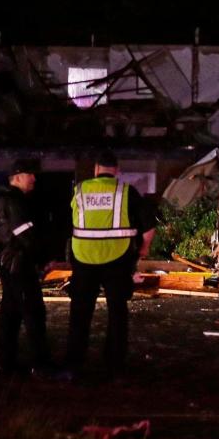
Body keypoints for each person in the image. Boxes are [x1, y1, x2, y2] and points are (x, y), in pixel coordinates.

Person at [64, 150, 154, 378]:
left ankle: (74, 363)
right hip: (117, 260)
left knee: (80, 313)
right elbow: (149, 226)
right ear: (117, 171)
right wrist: (142, 249)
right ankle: (114, 364)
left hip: (84, 259)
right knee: (117, 312)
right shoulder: (126, 192)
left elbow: (68, 224)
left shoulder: (80, 190)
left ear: (96, 170)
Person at [0, 158, 51, 376]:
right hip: (19, 266)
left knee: (10, 315)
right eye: (29, 174)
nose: (34, 178)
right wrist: (44, 259)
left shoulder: (1, 200)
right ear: (17, 177)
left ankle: (6, 363)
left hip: (8, 266)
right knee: (33, 313)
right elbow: (27, 237)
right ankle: (40, 364)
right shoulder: (15, 202)